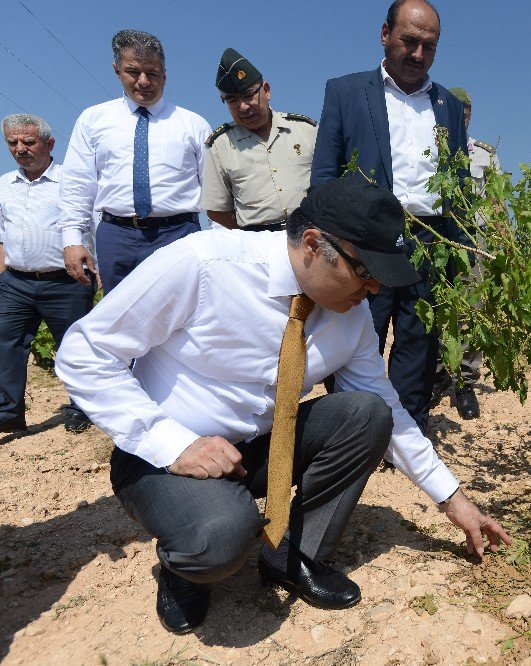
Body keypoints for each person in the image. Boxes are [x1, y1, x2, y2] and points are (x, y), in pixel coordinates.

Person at [55, 177, 510, 635]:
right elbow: (85, 353)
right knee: (222, 533)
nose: (373, 289)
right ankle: (184, 570)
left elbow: (389, 412)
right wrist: (173, 444)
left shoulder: (349, 316)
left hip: (261, 447)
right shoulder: (203, 264)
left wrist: (453, 501)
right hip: (165, 458)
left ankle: (290, 556)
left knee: (369, 414)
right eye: (365, 271)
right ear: (313, 244)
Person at [311, 0, 469, 434]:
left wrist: (461, 251)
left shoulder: (449, 107)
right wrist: (331, 245)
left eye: (429, 46)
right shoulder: (345, 92)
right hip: (366, 242)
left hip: (431, 242)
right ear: (385, 34)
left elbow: (459, 183)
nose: (418, 54)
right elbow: (324, 174)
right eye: (409, 41)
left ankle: (408, 431)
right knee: (360, 336)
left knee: (419, 342)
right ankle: (353, 431)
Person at [59, 29, 211, 293]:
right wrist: (72, 239)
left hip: (178, 234)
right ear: (117, 70)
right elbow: (77, 183)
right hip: (116, 237)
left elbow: (214, 190)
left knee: (180, 319)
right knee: (120, 321)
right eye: (133, 72)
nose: (143, 81)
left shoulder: (193, 124)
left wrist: (218, 242)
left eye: (152, 73)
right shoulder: (93, 120)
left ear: (164, 75)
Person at [0, 114, 96, 434]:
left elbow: (92, 227)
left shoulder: (73, 181)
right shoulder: (3, 185)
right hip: (15, 282)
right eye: (12, 142)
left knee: (74, 347)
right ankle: (8, 412)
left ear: (49, 143)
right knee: (6, 344)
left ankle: (81, 406)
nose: (20, 149)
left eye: (28, 142)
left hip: (66, 283)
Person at [430, 86, 500, 420]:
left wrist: (502, 242)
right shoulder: (429, 148)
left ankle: (465, 382)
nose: (462, 115)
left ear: (470, 113)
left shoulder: (485, 154)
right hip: (437, 234)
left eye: (466, 110)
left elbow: (497, 201)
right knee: (437, 305)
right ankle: (437, 373)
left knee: (471, 308)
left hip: (475, 237)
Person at [202, 48, 317, 231]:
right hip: (258, 246)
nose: (243, 107)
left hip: (310, 235)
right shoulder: (220, 146)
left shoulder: (307, 131)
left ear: (266, 91)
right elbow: (218, 211)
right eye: (232, 101)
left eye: (248, 95)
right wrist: (252, 237)